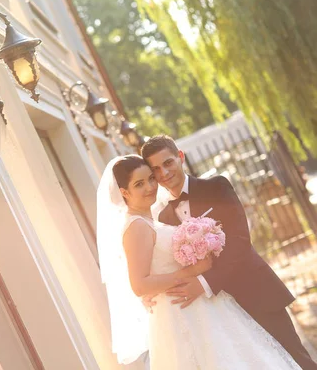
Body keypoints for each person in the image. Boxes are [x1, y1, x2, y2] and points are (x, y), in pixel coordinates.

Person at [97, 153, 303, 369]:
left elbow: (239, 240)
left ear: (180, 157)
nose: (150, 186)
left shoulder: (156, 219)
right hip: (181, 312)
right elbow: (139, 284)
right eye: (139, 184)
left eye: (150, 178)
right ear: (124, 192)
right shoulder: (137, 226)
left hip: (205, 305)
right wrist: (192, 272)